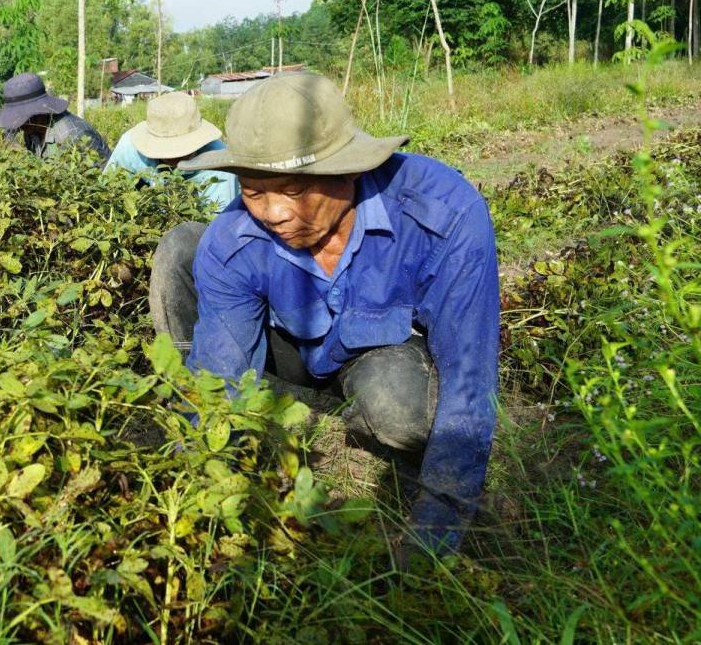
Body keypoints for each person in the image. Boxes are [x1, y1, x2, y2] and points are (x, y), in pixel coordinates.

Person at [151, 71, 500, 561]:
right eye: (253, 191)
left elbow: (470, 371)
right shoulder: (232, 241)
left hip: (381, 353)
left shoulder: (444, 214)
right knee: (185, 252)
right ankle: (281, 404)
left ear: (348, 171)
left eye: (292, 191)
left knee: (400, 413)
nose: (272, 212)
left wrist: (437, 534)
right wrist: (194, 500)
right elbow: (220, 377)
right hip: (289, 347)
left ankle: (364, 412)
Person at [104, 91, 238, 211]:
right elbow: (106, 191)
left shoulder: (219, 163)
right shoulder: (130, 147)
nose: (174, 157)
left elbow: (218, 227)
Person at [0, 72, 109, 164]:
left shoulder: (73, 135)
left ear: (38, 113)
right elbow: (9, 134)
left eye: (20, 118)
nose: (18, 124)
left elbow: (99, 180)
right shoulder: (32, 129)